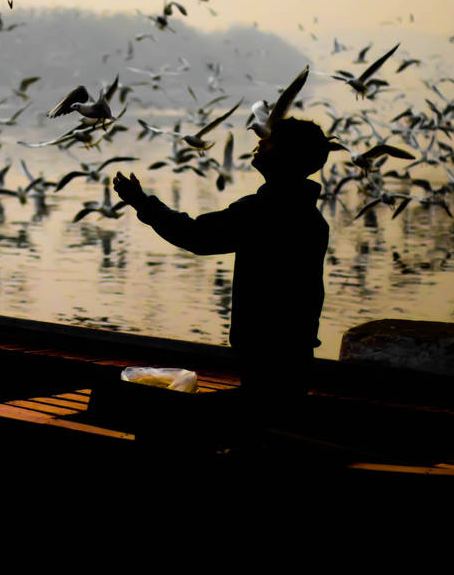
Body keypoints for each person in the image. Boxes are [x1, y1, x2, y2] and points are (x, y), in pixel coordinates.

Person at [113, 117, 335, 415]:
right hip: (294, 348)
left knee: (264, 424)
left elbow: (197, 236)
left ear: (284, 154)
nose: (259, 143)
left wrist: (141, 202)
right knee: (277, 421)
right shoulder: (309, 216)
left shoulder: (266, 211)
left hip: (267, 350)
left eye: (268, 141)